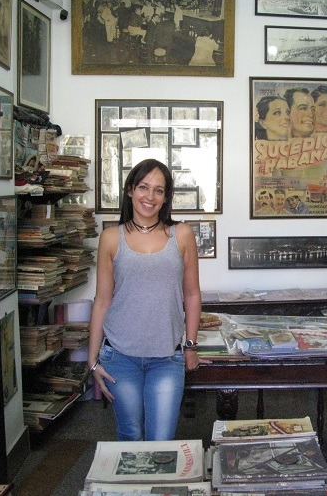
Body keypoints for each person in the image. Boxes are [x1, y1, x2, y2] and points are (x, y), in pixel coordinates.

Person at [87, 159, 204, 441]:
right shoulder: (111, 238)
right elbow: (102, 300)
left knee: (161, 439)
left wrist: (190, 345)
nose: (149, 197)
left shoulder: (182, 234)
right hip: (119, 356)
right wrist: (92, 360)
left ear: (166, 198)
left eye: (159, 190)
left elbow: (192, 294)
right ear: (130, 190)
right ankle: (135, 487)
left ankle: (158, 486)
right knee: (130, 433)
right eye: (143, 187)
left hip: (166, 357)